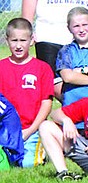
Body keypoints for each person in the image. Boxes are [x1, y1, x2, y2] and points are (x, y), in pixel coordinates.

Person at [0, 17, 54, 167]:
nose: (18, 45)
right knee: (5, 164)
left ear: (32, 40)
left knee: (27, 164)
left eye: (23, 40)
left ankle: (42, 149)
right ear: (7, 41)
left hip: (31, 130)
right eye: (14, 40)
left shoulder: (42, 68)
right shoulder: (1, 67)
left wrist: (30, 130)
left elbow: (46, 103)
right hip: (5, 130)